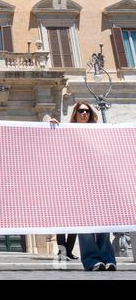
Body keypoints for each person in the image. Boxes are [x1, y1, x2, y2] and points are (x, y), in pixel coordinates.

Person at [52, 102, 116, 271]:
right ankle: (92, 260)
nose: (84, 114)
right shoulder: (66, 131)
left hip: (98, 181)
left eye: (87, 111)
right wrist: (52, 128)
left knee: (104, 223)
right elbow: (54, 147)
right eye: (81, 111)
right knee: (84, 224)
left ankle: (108, 259)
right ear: (75, 113)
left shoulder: (99, 132)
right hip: (78, 184)